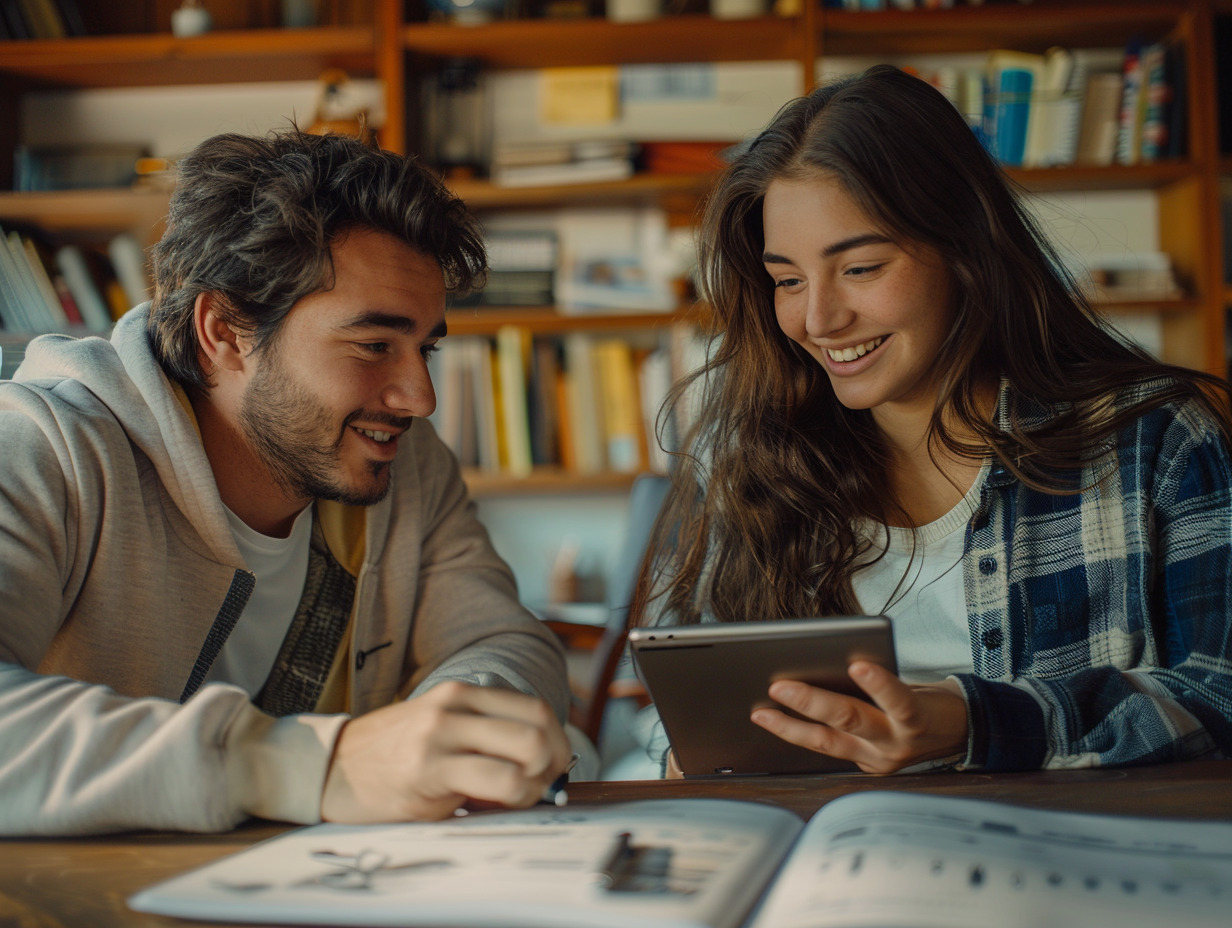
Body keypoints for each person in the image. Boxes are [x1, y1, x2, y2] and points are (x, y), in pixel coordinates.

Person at [633, 65, 1232, 776]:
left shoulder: (1160, 442)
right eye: (787, 280)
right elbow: (668, 706)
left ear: (965, 248)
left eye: (860, 268)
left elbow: (1219, 700)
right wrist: (689, 752)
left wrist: (971, 719)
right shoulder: (754, 462)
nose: (818, 320)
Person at [0, 128, 574, 836]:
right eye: (374, 346)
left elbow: (505, 639)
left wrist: (459, 729)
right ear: (225, 331)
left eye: (424, 347)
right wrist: (308, 766)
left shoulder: (408, 465)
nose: (420, 398)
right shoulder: (41, 446)